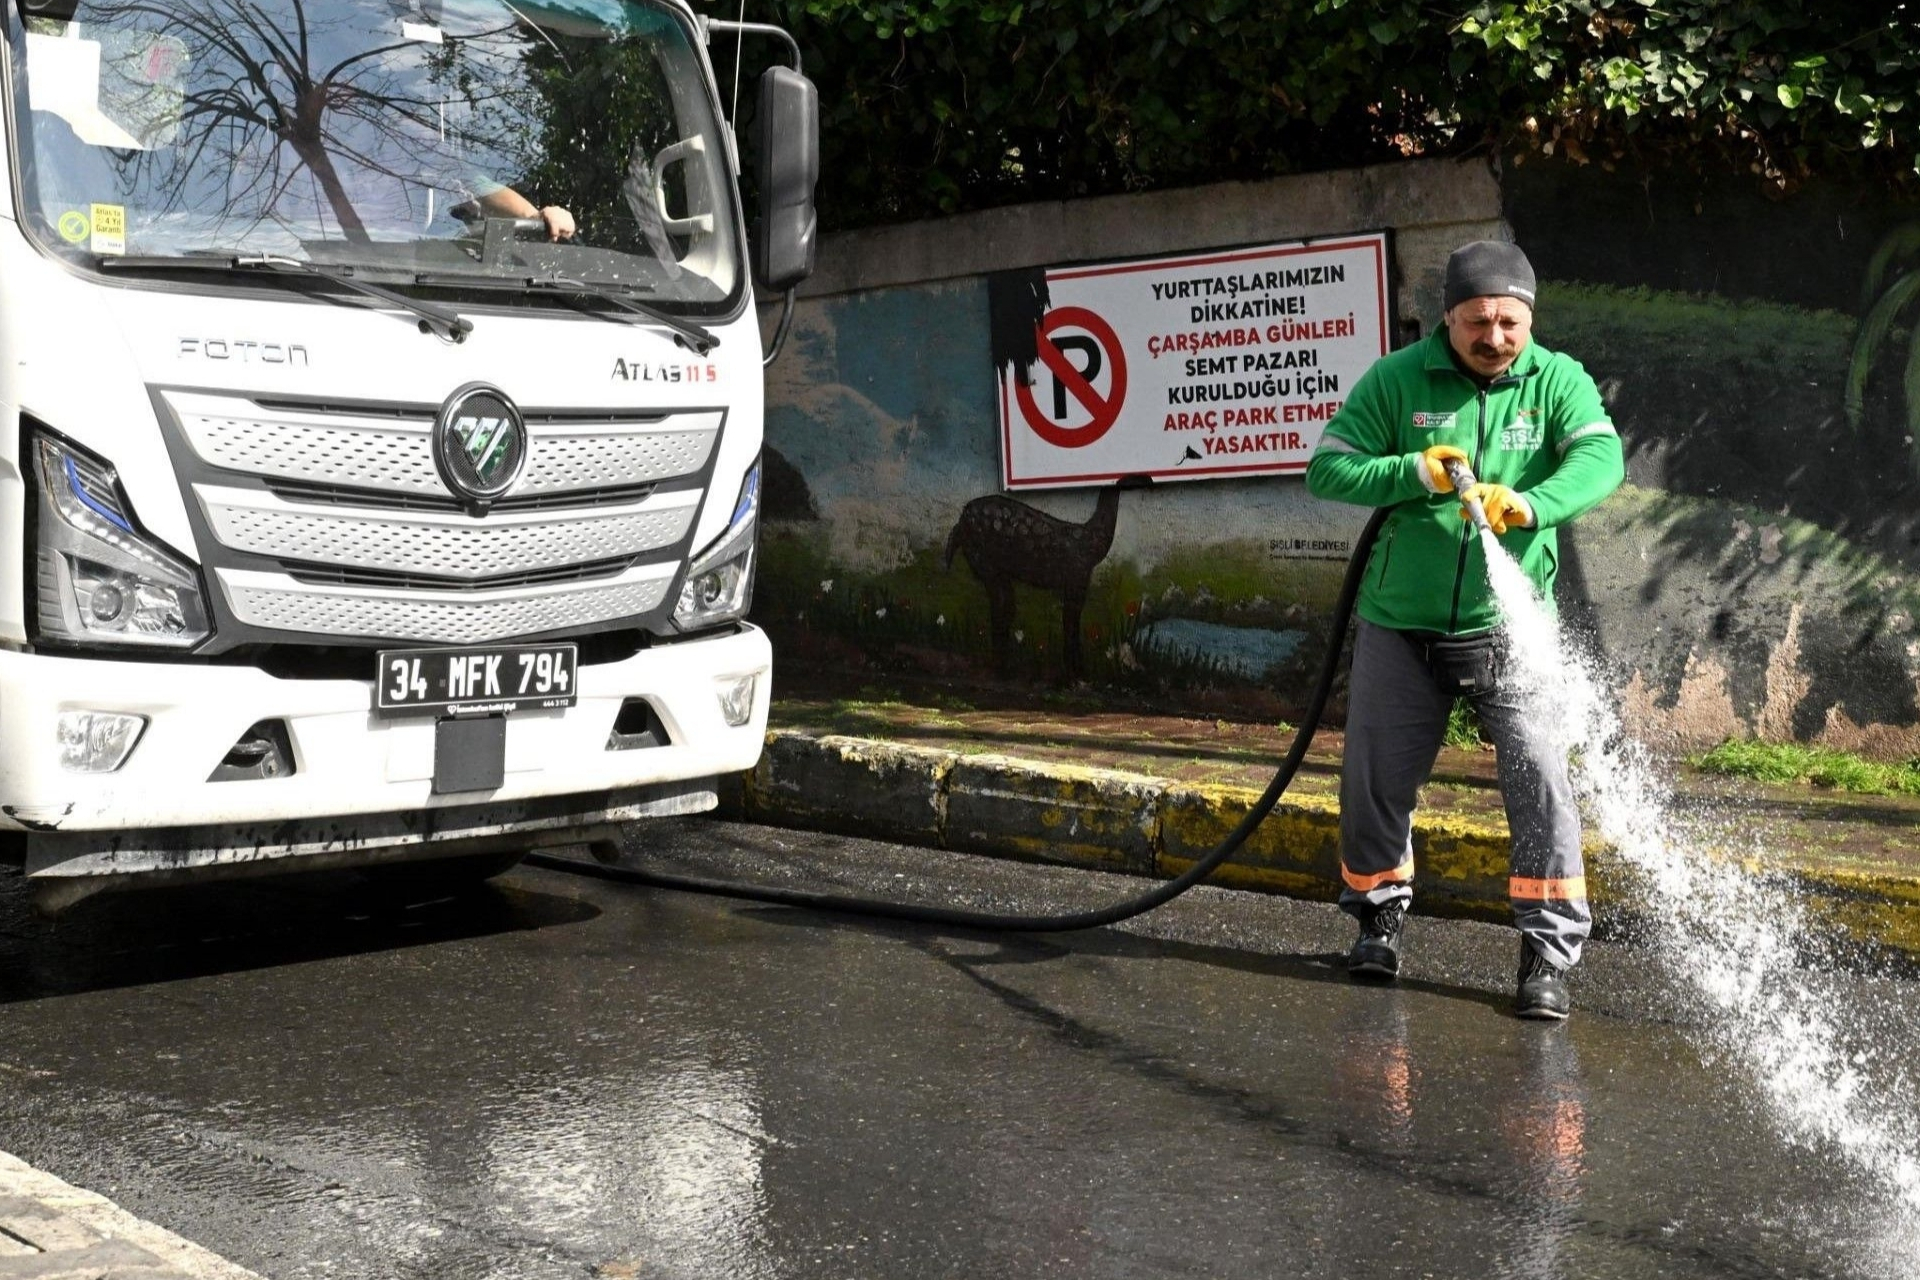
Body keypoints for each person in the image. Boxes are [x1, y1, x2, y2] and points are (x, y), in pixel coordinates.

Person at [1303, 239, 1625, 1020]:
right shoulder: (1397, 379)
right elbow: (1328, 468)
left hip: (1512, 632)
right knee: (1375, 784)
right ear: (1446, 316)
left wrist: (1535, 505)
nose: (1495, 338)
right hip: (1399, 627)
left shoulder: (1557, 381)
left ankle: (1545, 955)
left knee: (1542, 785)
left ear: (1529, 319)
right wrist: (1409, 472)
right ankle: (1377, 919)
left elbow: (1602, 458)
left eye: (1510, 322)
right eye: (1478, 321)